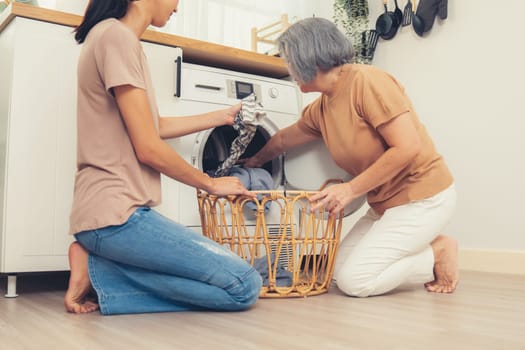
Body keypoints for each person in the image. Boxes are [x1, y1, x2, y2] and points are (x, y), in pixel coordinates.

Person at [64, 0, 262, 315]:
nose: (178, 7)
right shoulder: (117, 39)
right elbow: (148, 147)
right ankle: (100, 272)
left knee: (239, 283)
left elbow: (154, 127)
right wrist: (209, 184)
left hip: (111, 215)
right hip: (116, 217)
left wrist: (224, 116)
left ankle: (99, 272)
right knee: (244, 287)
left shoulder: (114, 37)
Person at [241, 17, 458, 297]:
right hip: (384, 205)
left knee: (356, 282)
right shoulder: (322, 108)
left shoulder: (367, 82)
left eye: (290, 61)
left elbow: (408, 148)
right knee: (335, 273)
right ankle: (425, 248)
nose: (289, 69)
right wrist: (253, 162)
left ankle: (437, 251)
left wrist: (350, 189)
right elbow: (283, 139)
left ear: (310, 58)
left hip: (423, 197)